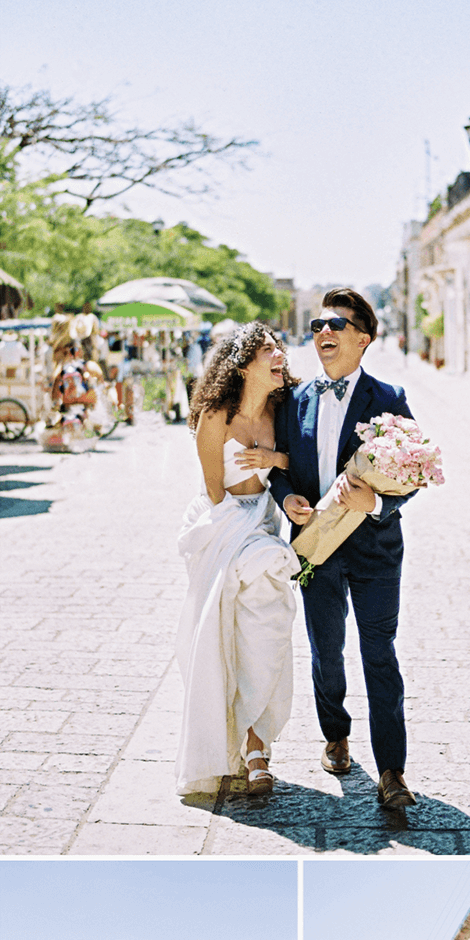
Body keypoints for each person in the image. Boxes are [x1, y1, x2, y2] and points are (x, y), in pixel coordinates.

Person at [269, 287, 418, 811]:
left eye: (336, 324)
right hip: (317, 550)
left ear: (363, 339)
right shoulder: (294, 400)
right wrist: (287, 499)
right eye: (317, 325)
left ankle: (392, 772)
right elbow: (279, 467)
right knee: (326, 652)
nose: (324, 332)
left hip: (377, 551)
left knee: (380, 656)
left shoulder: (389, 398)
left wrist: (376, 500)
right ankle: (335, 733)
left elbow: (412, 473)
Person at [174, 324, 301, 797]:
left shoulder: (281, 409)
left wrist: (273, 457)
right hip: (226, 522)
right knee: (219, 637)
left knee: (265, 634)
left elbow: (293, 461)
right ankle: (243, 745)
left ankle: (257, 738)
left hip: (264, 522)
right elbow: (213, 490)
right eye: (268, 349)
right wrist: (231, 541)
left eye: (279, 348)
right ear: (244, 363)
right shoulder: (215, 415)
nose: (279, 355)